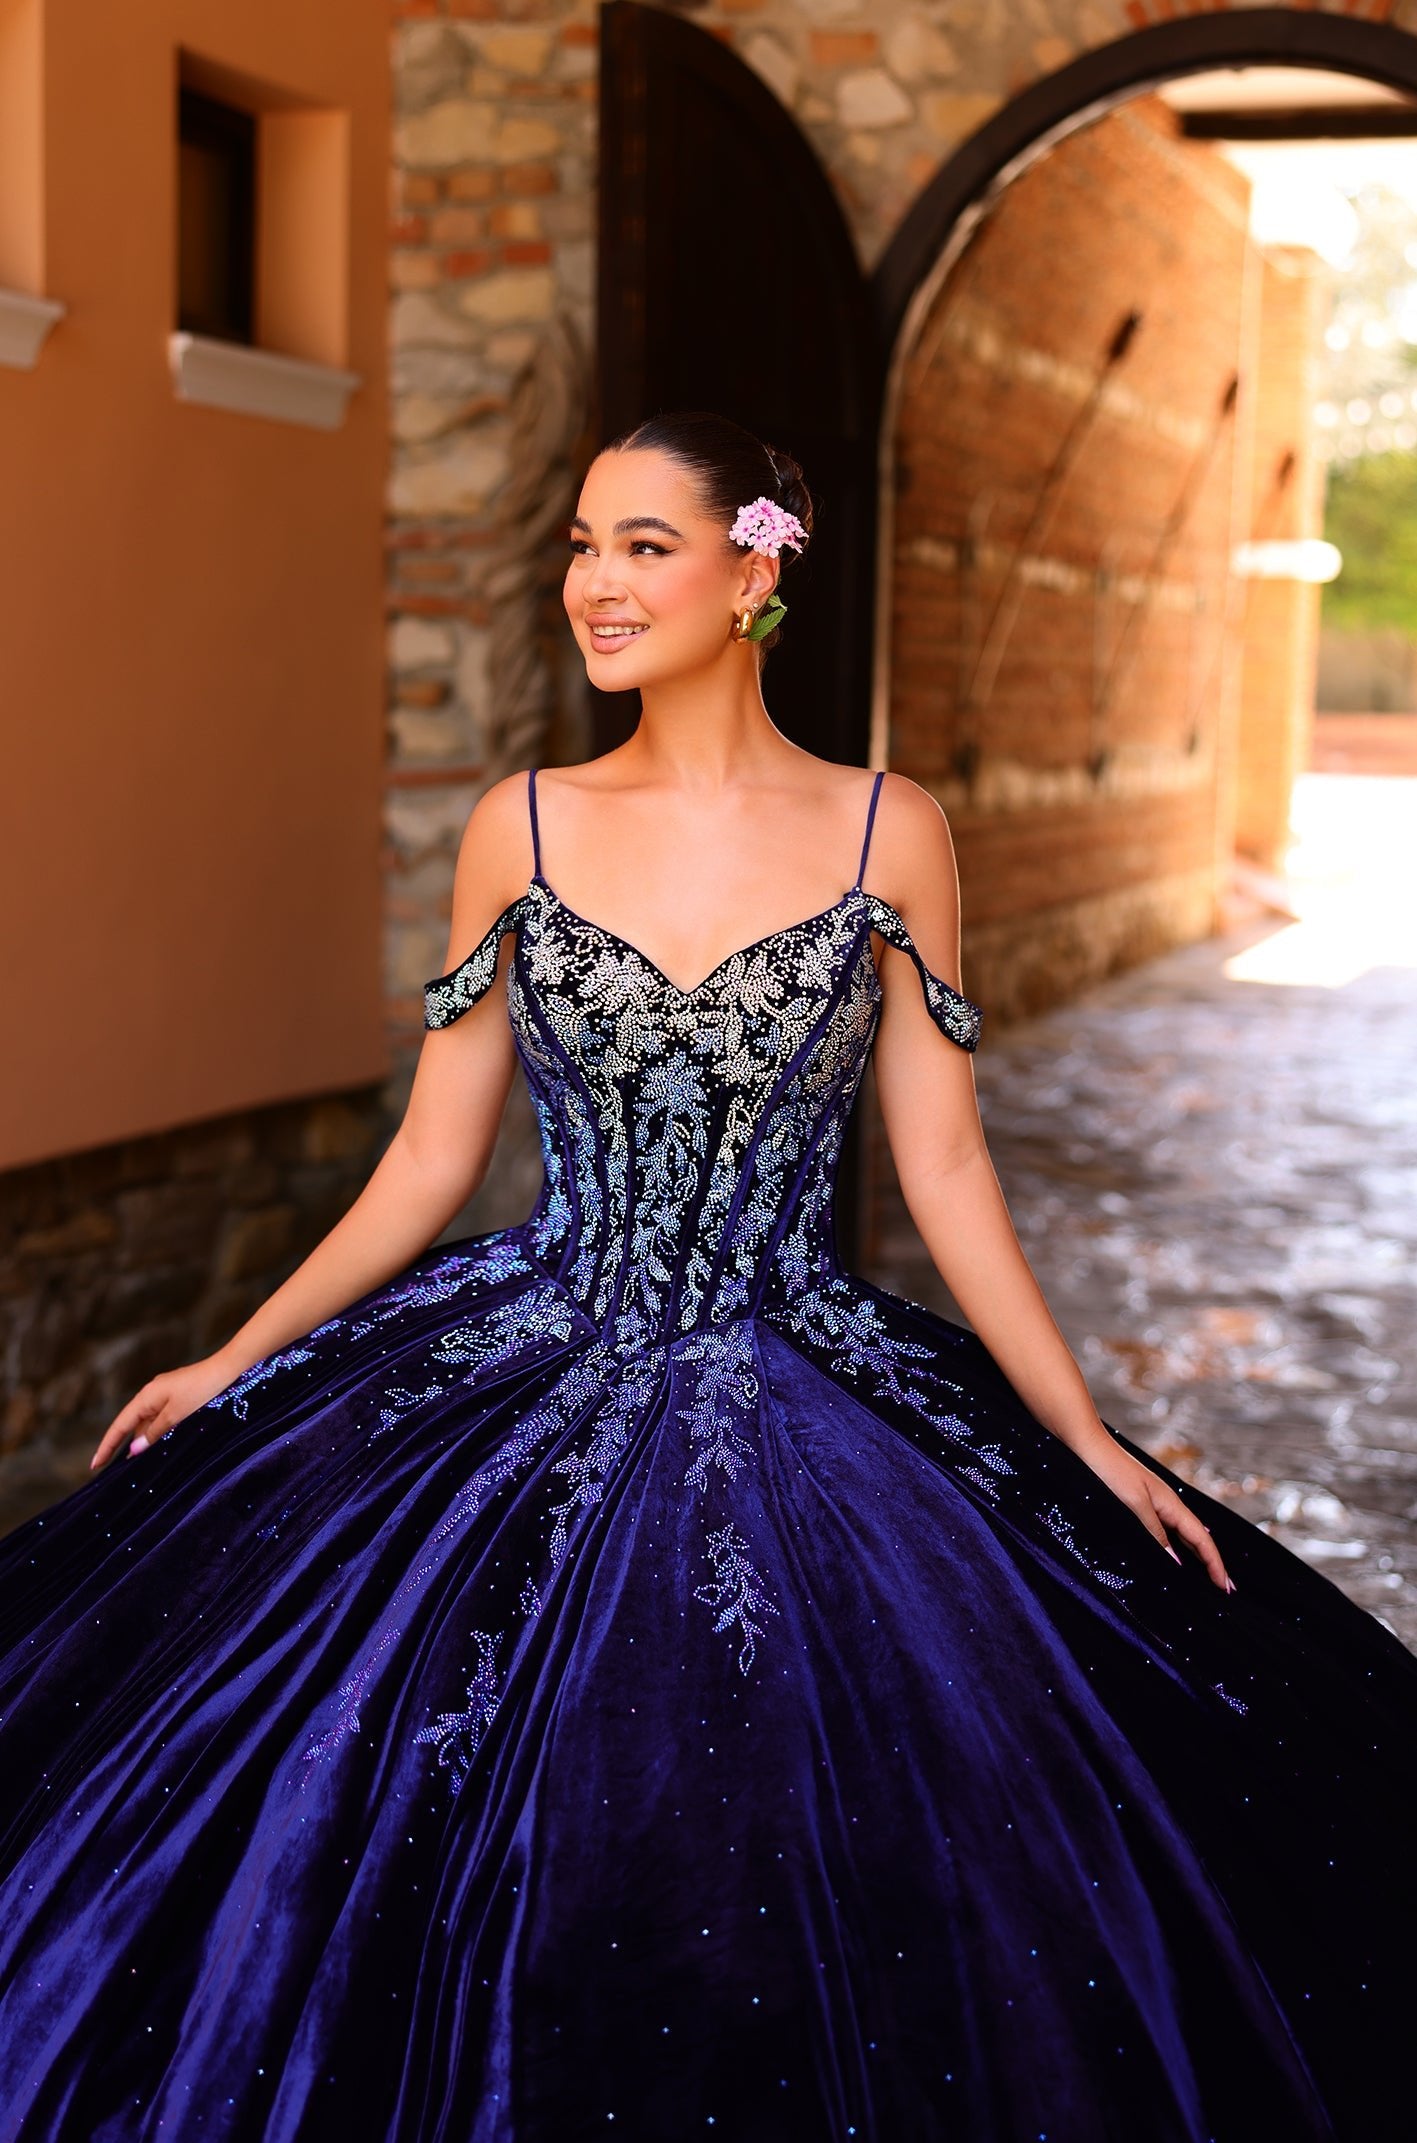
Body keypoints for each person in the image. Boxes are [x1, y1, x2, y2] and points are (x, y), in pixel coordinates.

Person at [0, 408, 1412, 2143]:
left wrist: (1086, 1437)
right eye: (580, 544)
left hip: (802, 1366)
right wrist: (237, 1357)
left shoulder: (893, 831)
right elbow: (435, 1157)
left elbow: (945, 1163)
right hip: (528, 1341)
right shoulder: (514, 826)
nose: (592, 584)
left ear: (756, 569)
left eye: (641, 547)